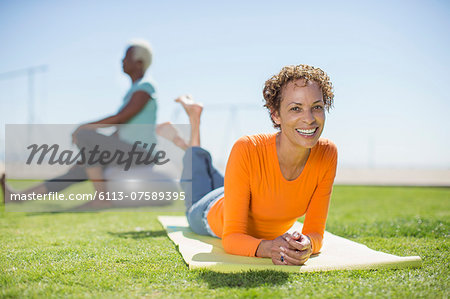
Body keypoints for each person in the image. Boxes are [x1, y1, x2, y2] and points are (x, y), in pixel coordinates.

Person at [158, 64, 337, 266]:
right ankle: (194, 120)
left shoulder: (327, 153)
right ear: (275, 115)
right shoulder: (248, 148)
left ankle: (184, 145)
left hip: (238, 194)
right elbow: (232, 238)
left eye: (317, 107)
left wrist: (308, 245)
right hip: (207, 209)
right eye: (296, 108)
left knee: (206, 169)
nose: (309, 119)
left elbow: (314, 233)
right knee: (195, 173)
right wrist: (271, 248)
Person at [2, 40, 158, 209]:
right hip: (128, 150)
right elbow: (120, 132)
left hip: (142, 154)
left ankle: (102, 199)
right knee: (78, 170)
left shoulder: (145, 87)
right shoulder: (134, 90)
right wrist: (87, 156)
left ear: (139, 62)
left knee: (85, 135)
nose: (122, 61)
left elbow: (120, 118)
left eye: (126, 57)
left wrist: (84, 128)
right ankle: (17, 197)